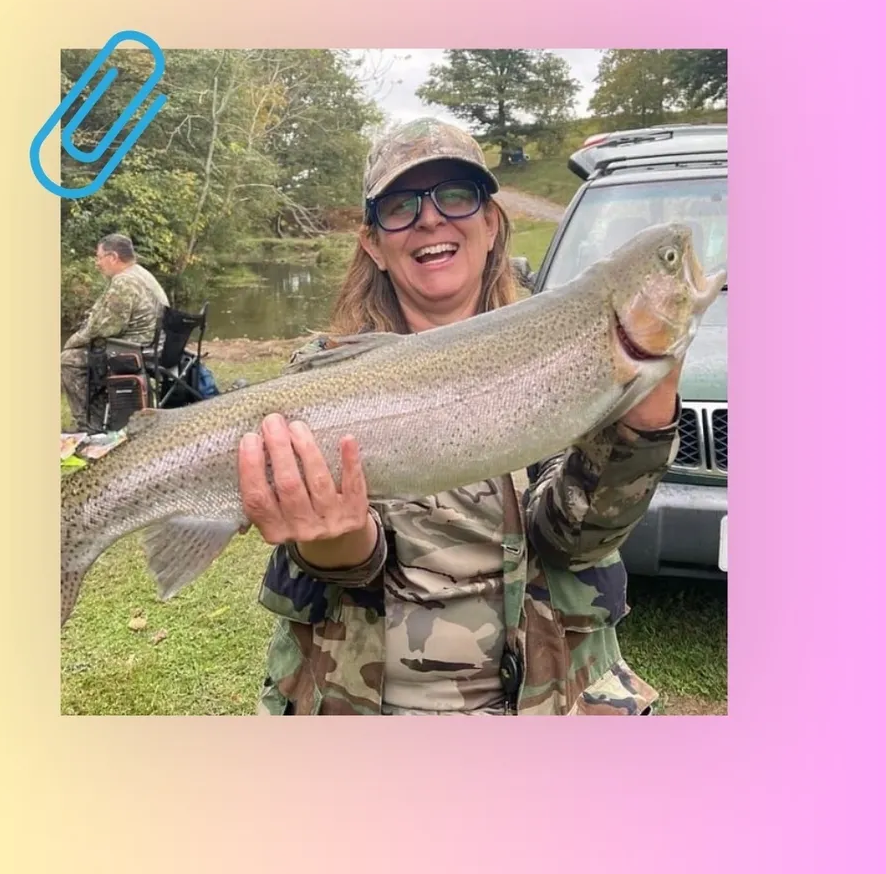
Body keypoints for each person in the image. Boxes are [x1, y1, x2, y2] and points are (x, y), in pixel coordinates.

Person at [241, 117, 682, 716]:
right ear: (372, 242)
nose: (430, 218)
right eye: (401, 204)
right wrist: (337, 540)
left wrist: (645, 424)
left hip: (544, 702)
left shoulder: (564, 347)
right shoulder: (320, 382)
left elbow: (575, 541)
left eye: (456, 195)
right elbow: (342, 562)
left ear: (491, 222)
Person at [60, 233, 169, 431]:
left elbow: (105, 327)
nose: (97, 263)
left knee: (69, 360)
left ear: (113, 257)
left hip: (137, 350)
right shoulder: (141, 273)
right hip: (158, 345)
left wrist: (72, 342)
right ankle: (103, 415)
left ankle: (88, 424)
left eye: (99, 257)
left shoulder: (123, 282)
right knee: (87, 353)